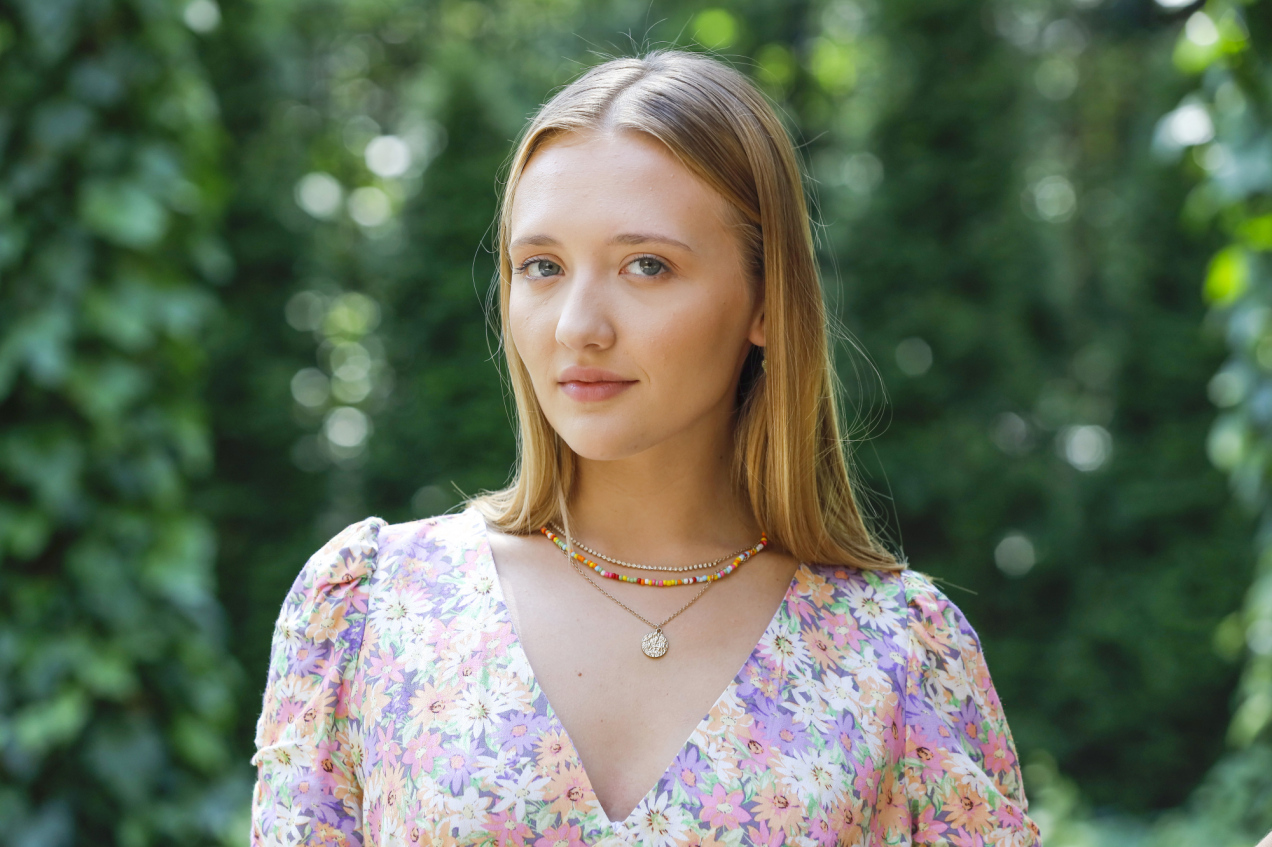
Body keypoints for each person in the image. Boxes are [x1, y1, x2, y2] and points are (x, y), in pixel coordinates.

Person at [251, 50, 1042, 846]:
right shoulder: (371, 609)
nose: (578, 326)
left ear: (766, 302)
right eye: (542, 267)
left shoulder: (900, 655)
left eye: (646, 266)